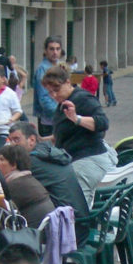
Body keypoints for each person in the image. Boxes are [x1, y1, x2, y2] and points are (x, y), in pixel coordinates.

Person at [42, 65, 113, 207]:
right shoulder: (63, 104)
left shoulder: (82, 98)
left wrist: (77, 118)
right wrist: (37, 139)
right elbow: (61, 135)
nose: (54, 95)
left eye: (56, 90)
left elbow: (102, 122)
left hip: (88, 158)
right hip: (75, 159)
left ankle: (80, 225)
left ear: (68, 82)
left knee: (76, 202)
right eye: (50, 93)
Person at [7, 122, 90, 218]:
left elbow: (13, 188)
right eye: (10, 140)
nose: (12, 144)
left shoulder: (33, 161)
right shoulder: (47, 151)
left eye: (16, 140)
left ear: (32, 140)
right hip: (75, 215)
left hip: (67, 223)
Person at [0, 144, 55, 229]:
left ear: (13, 165)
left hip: (33, 232)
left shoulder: (15, 185)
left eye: (1, 159)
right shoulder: (27, 179)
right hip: (45, 228)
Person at [31, 37, 63, 136]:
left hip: (60, 117)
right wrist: (60, 113)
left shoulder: (60, 66)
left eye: (57, 49)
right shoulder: (43, 69)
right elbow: (44, 98)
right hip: (49, 120)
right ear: (46, 50)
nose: (55, 52)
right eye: (52, 49)